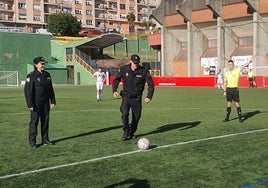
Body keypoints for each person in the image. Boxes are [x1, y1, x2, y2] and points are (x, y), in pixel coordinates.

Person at [112, 54, 155, 141]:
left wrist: (149, 97)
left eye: (137, 63)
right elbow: (116, 80)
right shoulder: (124, 69)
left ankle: (131, 132)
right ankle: (126, 131)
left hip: (137, 98)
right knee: (124, 113)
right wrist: (114, 90)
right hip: (126, 97)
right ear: (130, 61)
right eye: (134, 63)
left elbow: (151, 85)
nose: (136, 64)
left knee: (137, 116)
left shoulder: (143, 71)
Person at [24, 57, 56, 148]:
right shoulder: (31, 76)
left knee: (45, 121)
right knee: (34, 122)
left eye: (44, 64)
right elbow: (28, 92)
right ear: (36, 65)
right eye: (41, 64)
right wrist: (30, 104)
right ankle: (32, 142)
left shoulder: (47, 75)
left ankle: (45, 139)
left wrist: (53, 101)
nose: (43, 65)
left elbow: (50, 89)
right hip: (36, 103)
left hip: (45, 102)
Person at [222, 56, 255, 123]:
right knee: (229, 104)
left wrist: (250, 61)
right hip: (228, 90)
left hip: (235, 89)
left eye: (231, 64)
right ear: (228, 65)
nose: (230, 66)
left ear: (233, 65)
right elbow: (225, 83)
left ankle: (240, 118)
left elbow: (243, 66)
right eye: (229, 64)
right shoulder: (226, 74)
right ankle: (227, 118)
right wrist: (224, 91)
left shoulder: (237, 71)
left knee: (237, 103)